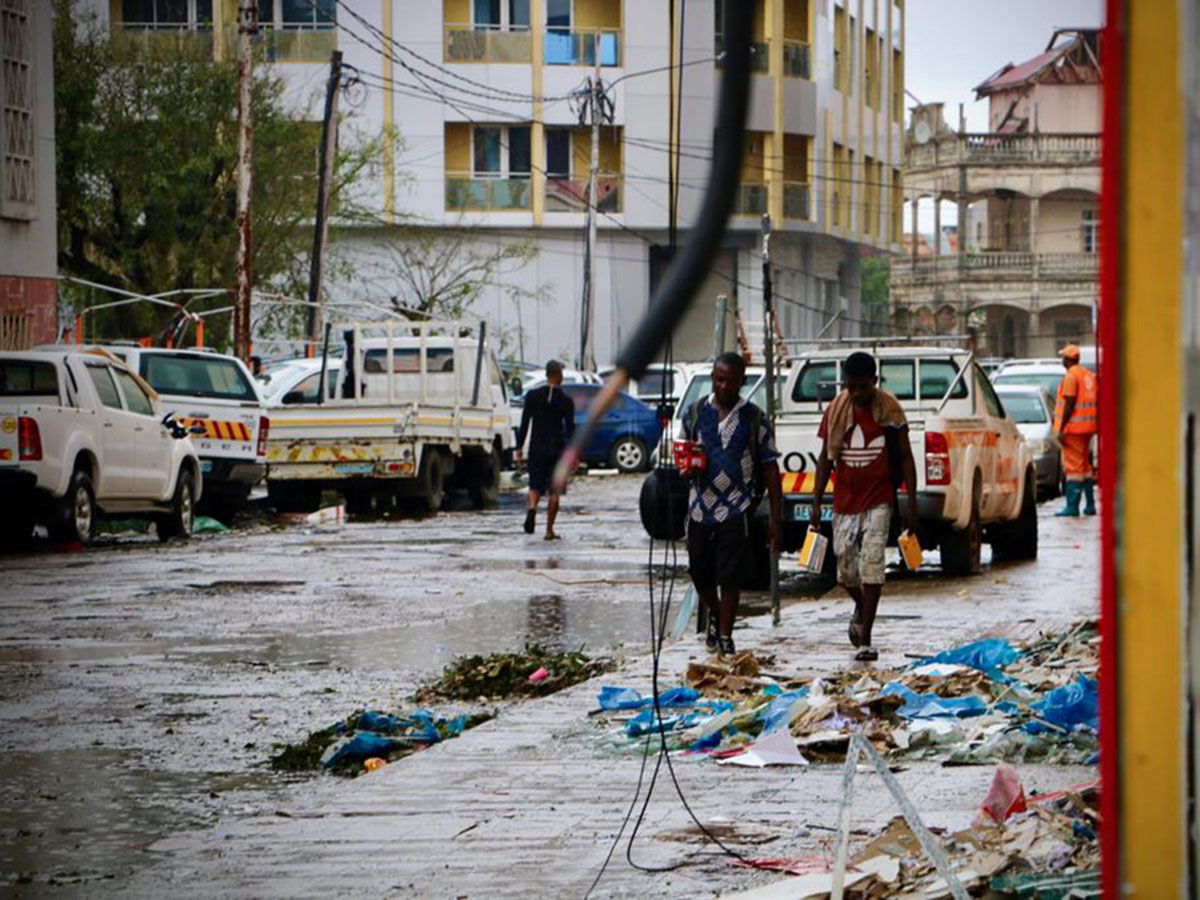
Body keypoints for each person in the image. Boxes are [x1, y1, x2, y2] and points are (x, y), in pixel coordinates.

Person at [810, 351, 918, 662]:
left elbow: (907, 458)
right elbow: (824, 458)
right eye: (850, 387)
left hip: (879, 499)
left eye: (862, 387)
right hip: (844, 501)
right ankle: (861, 606)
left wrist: (910, 505)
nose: (856, 394)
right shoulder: (835, 411)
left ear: (874, 381)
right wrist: (817, 501)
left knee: (872, 566)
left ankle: (865, 639)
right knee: (845, 572)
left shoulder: (891, 411)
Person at [681, 352, 782, 656]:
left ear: (741, 381)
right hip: (700, 507)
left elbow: (770, 469)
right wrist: (688, 468)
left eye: (730, 380)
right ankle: (716, 612)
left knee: (730, 574)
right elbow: (683, 457)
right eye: (718, 379)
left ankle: (726, 635)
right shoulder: (695, 413)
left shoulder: (754, 419)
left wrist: (775, 519)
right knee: (699, 571)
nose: (722, 386)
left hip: (738, 508)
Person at [515, 360, 576, 540]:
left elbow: (524, 423)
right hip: (557, 450)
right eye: (561, 374)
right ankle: (549, 530)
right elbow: (570, 429)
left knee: (534, 486)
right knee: (554, 491)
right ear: (557, 375)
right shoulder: (566, 400)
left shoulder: (532, 396)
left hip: (537, 448)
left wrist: (519, 446)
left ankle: (532, 509)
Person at [1051, 344, 1098, 517]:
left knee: (1073, 469)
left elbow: (1069, 403)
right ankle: (1090, 505)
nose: (1062, 359)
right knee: (1085, 467)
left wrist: (1062, 428)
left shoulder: (1071, 376)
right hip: (1088, 427)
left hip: (1074, 429)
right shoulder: (1088, 374)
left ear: (1069, 359)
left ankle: (1072, 506)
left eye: (1063, 357)